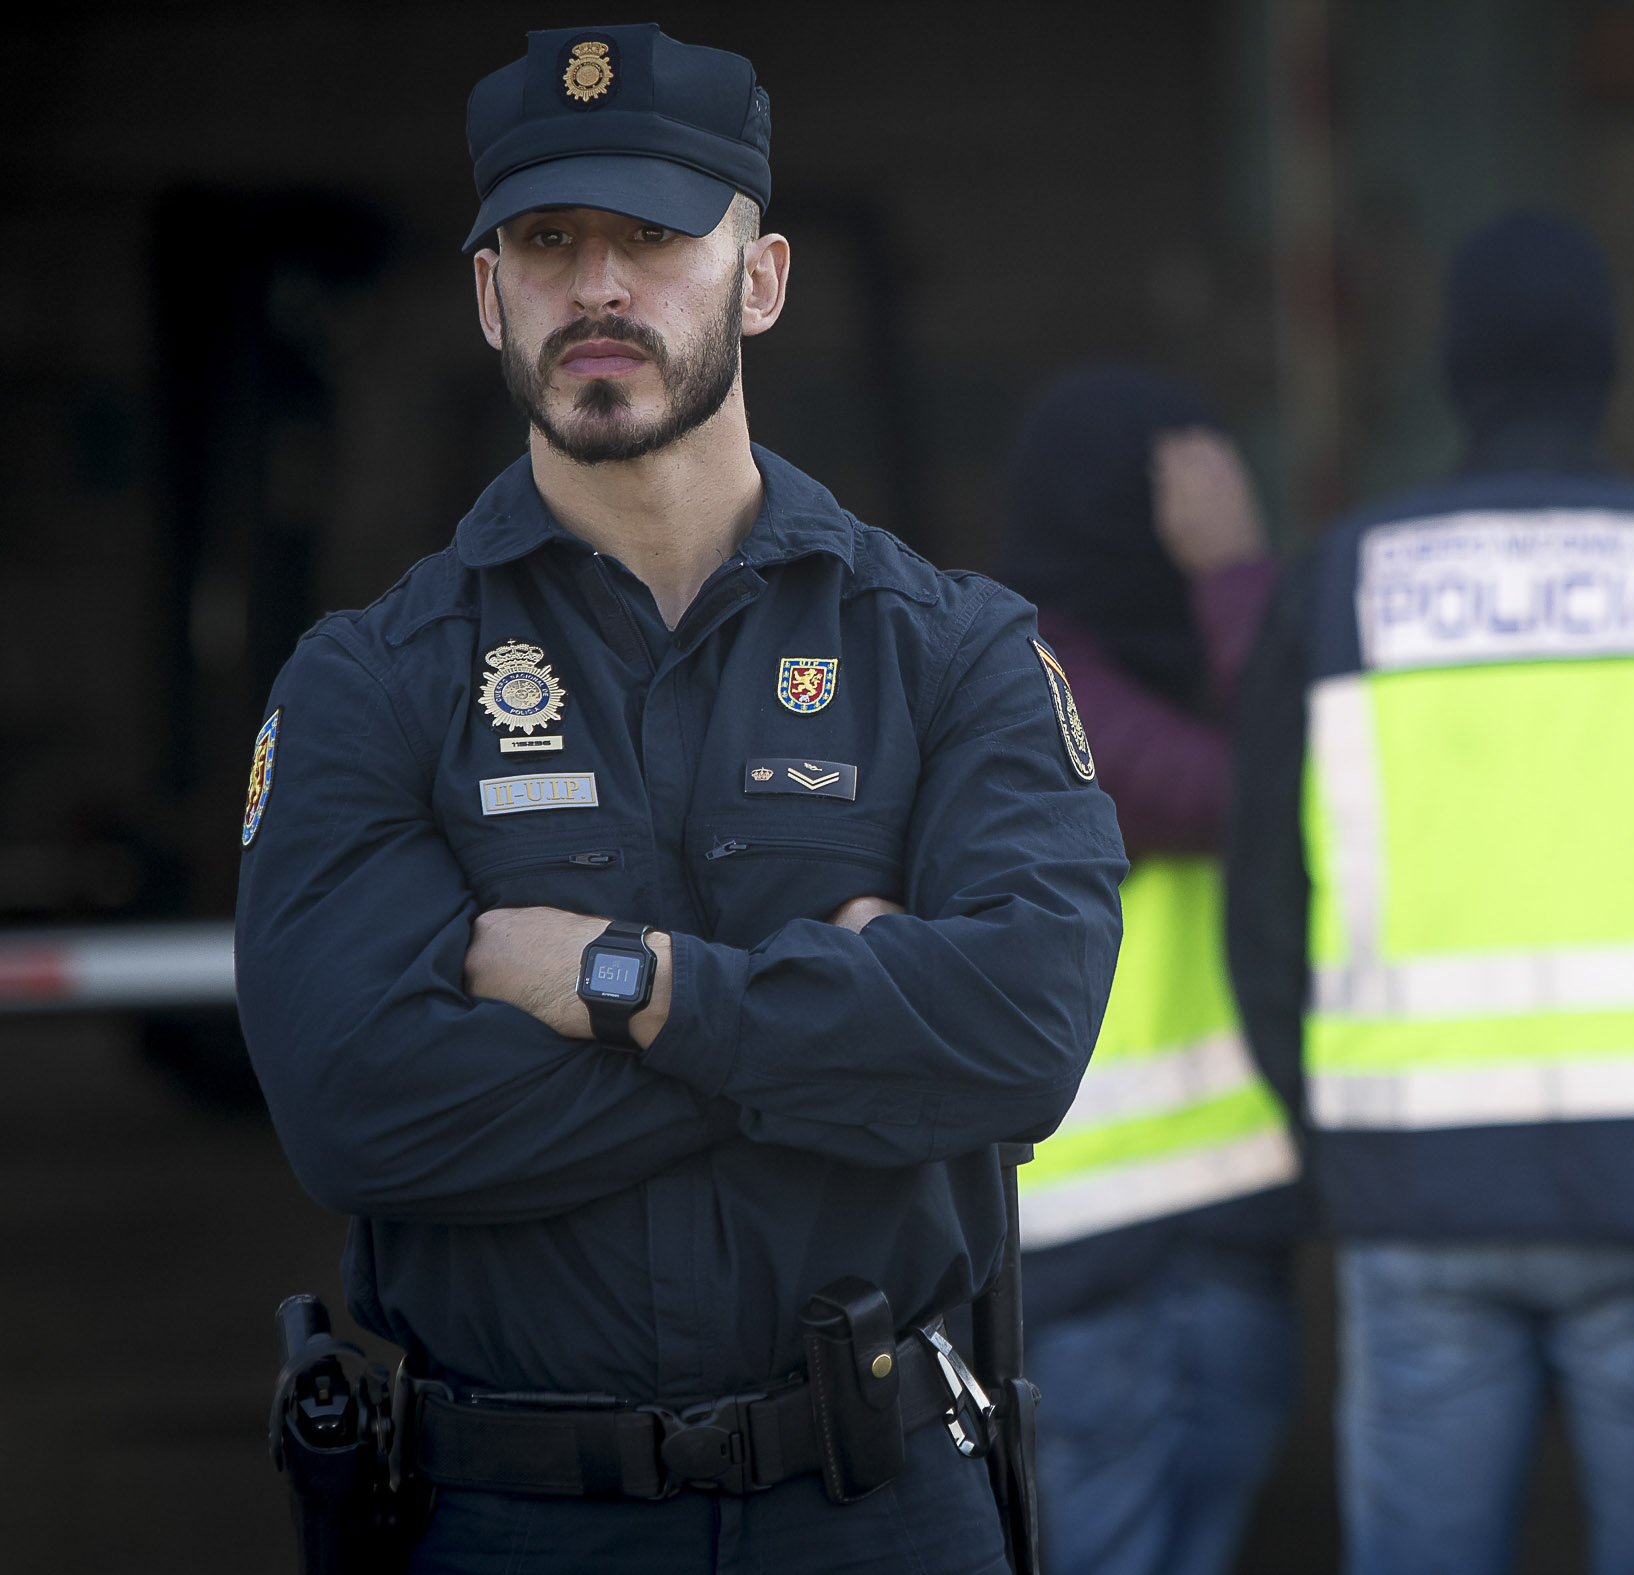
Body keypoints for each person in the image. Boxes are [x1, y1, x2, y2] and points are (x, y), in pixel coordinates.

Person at [233, 24, 1125, 1573]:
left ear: (758, 278)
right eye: (546, 240)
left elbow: (1025, 1035)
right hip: (510, 1513)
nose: (598, 286)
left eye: (652, 236)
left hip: (878, 1504)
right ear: (489, 291)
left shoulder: (948, 649)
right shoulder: (368, 680)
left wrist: (624, 981)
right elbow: (355, 1106)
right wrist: (838, 1029)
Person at [1225, 211, 1634, 1575]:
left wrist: (1333, 1134)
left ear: (1453, 368)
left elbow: (1263, 920)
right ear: (1607, 364)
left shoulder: (1336, 586)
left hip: (1414, 1187)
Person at [997, 366, 1303, 1575]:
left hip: (1208, 1235)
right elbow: (1278, 793)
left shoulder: (1156, 671)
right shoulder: (1031, 688)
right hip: (1102, 1265)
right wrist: (1237, 578)